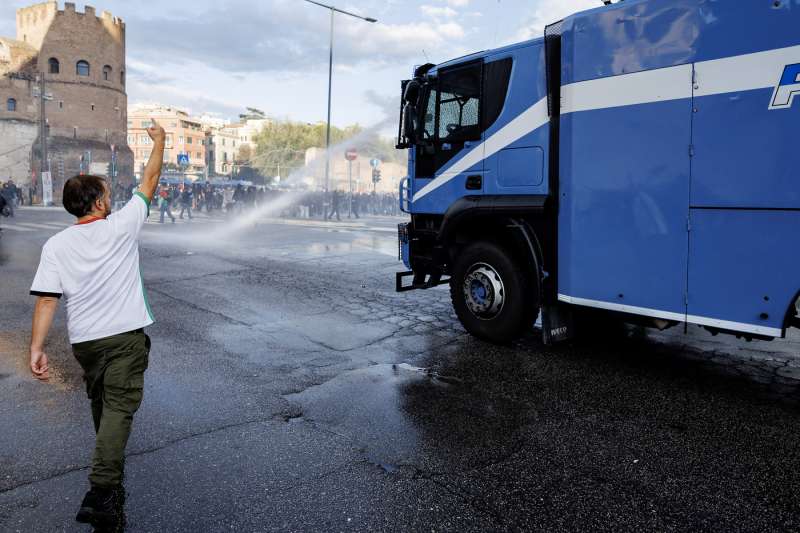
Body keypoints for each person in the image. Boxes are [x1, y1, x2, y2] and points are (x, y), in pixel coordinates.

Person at [28, 119, 165, 528]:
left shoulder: (56, 244)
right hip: (123, 339)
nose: (112, 198)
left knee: (104, 406)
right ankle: (101, 490)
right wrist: (160, 141)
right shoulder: (121, 227)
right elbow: (152, 177)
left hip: (85, 343)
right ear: (101, 203)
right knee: (120, 408)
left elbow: (47, 301)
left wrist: (35, 348)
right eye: (108, 193)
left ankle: (111, 475)